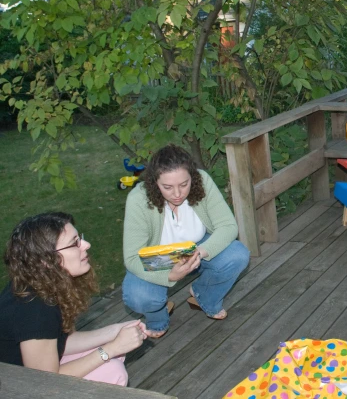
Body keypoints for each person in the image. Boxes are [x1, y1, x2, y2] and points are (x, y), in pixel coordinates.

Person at [0, 213, 145, 385]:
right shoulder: (36, 309)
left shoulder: (40, 283)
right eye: (74, 243)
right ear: (47, 260)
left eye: (79, 238)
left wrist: (114, 332)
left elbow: (59, 342)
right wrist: (111, 349)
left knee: (113, 355)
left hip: (33, 371)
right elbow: (45, 381)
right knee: (111, 371)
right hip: (16, 385)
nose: (86, 245)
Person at [122, 144, 250, 337]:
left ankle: (203, 296)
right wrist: (169, 276)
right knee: (138, 296)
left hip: (197, 247)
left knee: (238, 254)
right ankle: (158, 318)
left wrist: (199, 253)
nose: (177, 194)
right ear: (154, 182)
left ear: (193, 177)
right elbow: (132, 258)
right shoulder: (138, 199)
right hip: (158, 258)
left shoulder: (203, 181)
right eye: (167, 187)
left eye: (184, 184)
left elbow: (228, 226)